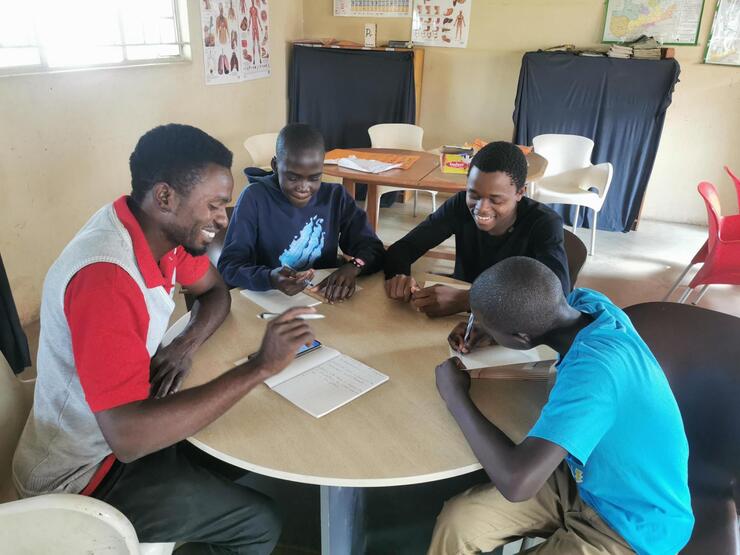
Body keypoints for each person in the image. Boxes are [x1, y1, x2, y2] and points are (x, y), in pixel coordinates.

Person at [13, 124, 318, 554]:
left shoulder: (162, 234)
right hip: (81, 478)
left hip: (118, 433)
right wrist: (260, 366)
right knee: (260, 523)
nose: (223, 219)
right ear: (165, 197)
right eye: (214, 205)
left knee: (231, 446)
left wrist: (182, 346)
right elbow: (129, 438)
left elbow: (215, 293)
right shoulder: (107, 280)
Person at [430, 257, 694, 554]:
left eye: (487, 327)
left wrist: (455, 395)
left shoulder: (593, 376)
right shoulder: (589, 304)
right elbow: (534, 313)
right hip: (585, 478)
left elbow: (517, 483)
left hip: (634, 526)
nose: (478, 329)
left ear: (521, 336)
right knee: (459, 521)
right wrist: (493, 331)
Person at [384, 141, 569, 318]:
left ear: (520, 192)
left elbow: (555, 295)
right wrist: (400, 276)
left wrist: (467, 300)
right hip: (461, 324)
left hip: (511, 328)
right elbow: (404, 247)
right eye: (474, 195)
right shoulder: (459, 206)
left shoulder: (543, 223)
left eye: (495, 199)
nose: (481, 208)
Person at [218, 123, 385, 303]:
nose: (303, 188)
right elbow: (229, 266)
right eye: (292, 177)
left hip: (321, 300)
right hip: (268, 299)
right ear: (275, 165)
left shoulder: (335, 197)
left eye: (314, 178)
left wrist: (353, 267)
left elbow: (373, 248)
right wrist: (270, 277)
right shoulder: (254, 199)